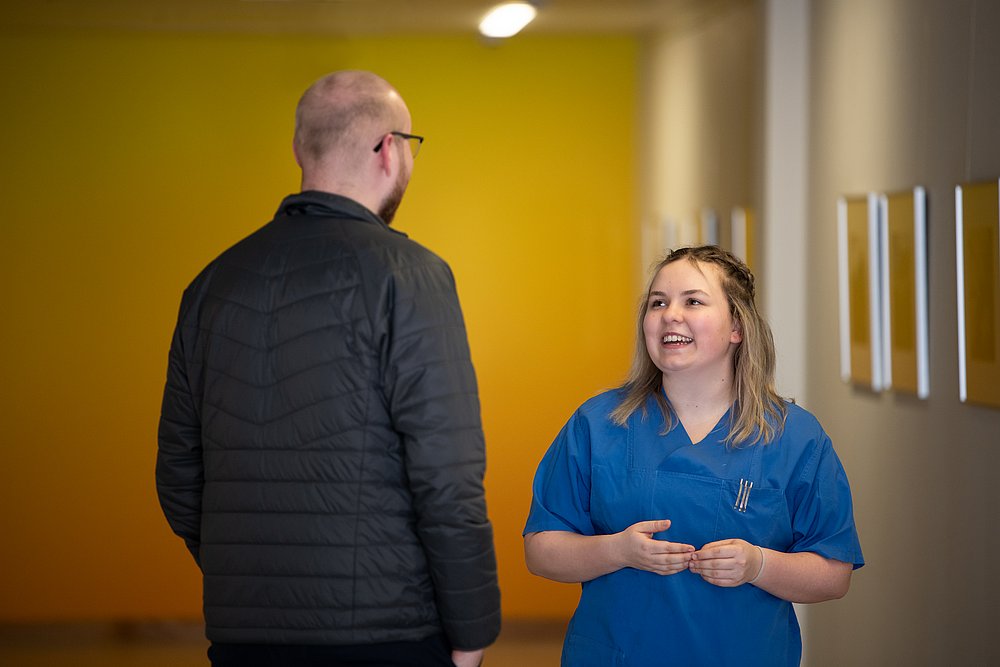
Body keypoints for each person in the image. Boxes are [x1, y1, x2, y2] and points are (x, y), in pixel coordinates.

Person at [157, 70, 500, 667]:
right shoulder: (411, 275)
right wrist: (472, 635)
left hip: (244, 636)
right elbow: (446, 479)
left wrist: (255, 578)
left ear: (299, 150)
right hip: (388, 636)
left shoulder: (211, 285)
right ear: (389, 149)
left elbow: (178, 477)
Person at [523, 245, 864, 666]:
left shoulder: (794, 437)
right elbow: (541, 550)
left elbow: (834, 574)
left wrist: (758, 565)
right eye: (658, 303)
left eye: (693, 301)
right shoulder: (598, 424)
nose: (670, 314)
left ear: (737, 326)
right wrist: (617, 551)